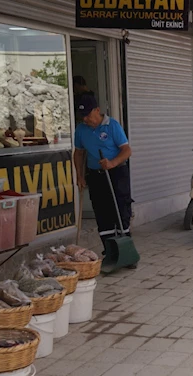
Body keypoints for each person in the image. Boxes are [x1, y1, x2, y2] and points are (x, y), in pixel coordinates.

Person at [73, 95, 136, 267]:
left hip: (117, 172)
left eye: (88, 114)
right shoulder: (81, 130)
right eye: (83, 116)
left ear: (97, 110)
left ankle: (127, 252)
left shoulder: (112, 125)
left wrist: (112, 162)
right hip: (96, 175)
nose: (86, 119)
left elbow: (127, 149)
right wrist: (79, 175)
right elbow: (78, 153)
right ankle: (110, 252)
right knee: (102, 213)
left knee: (121, 210)